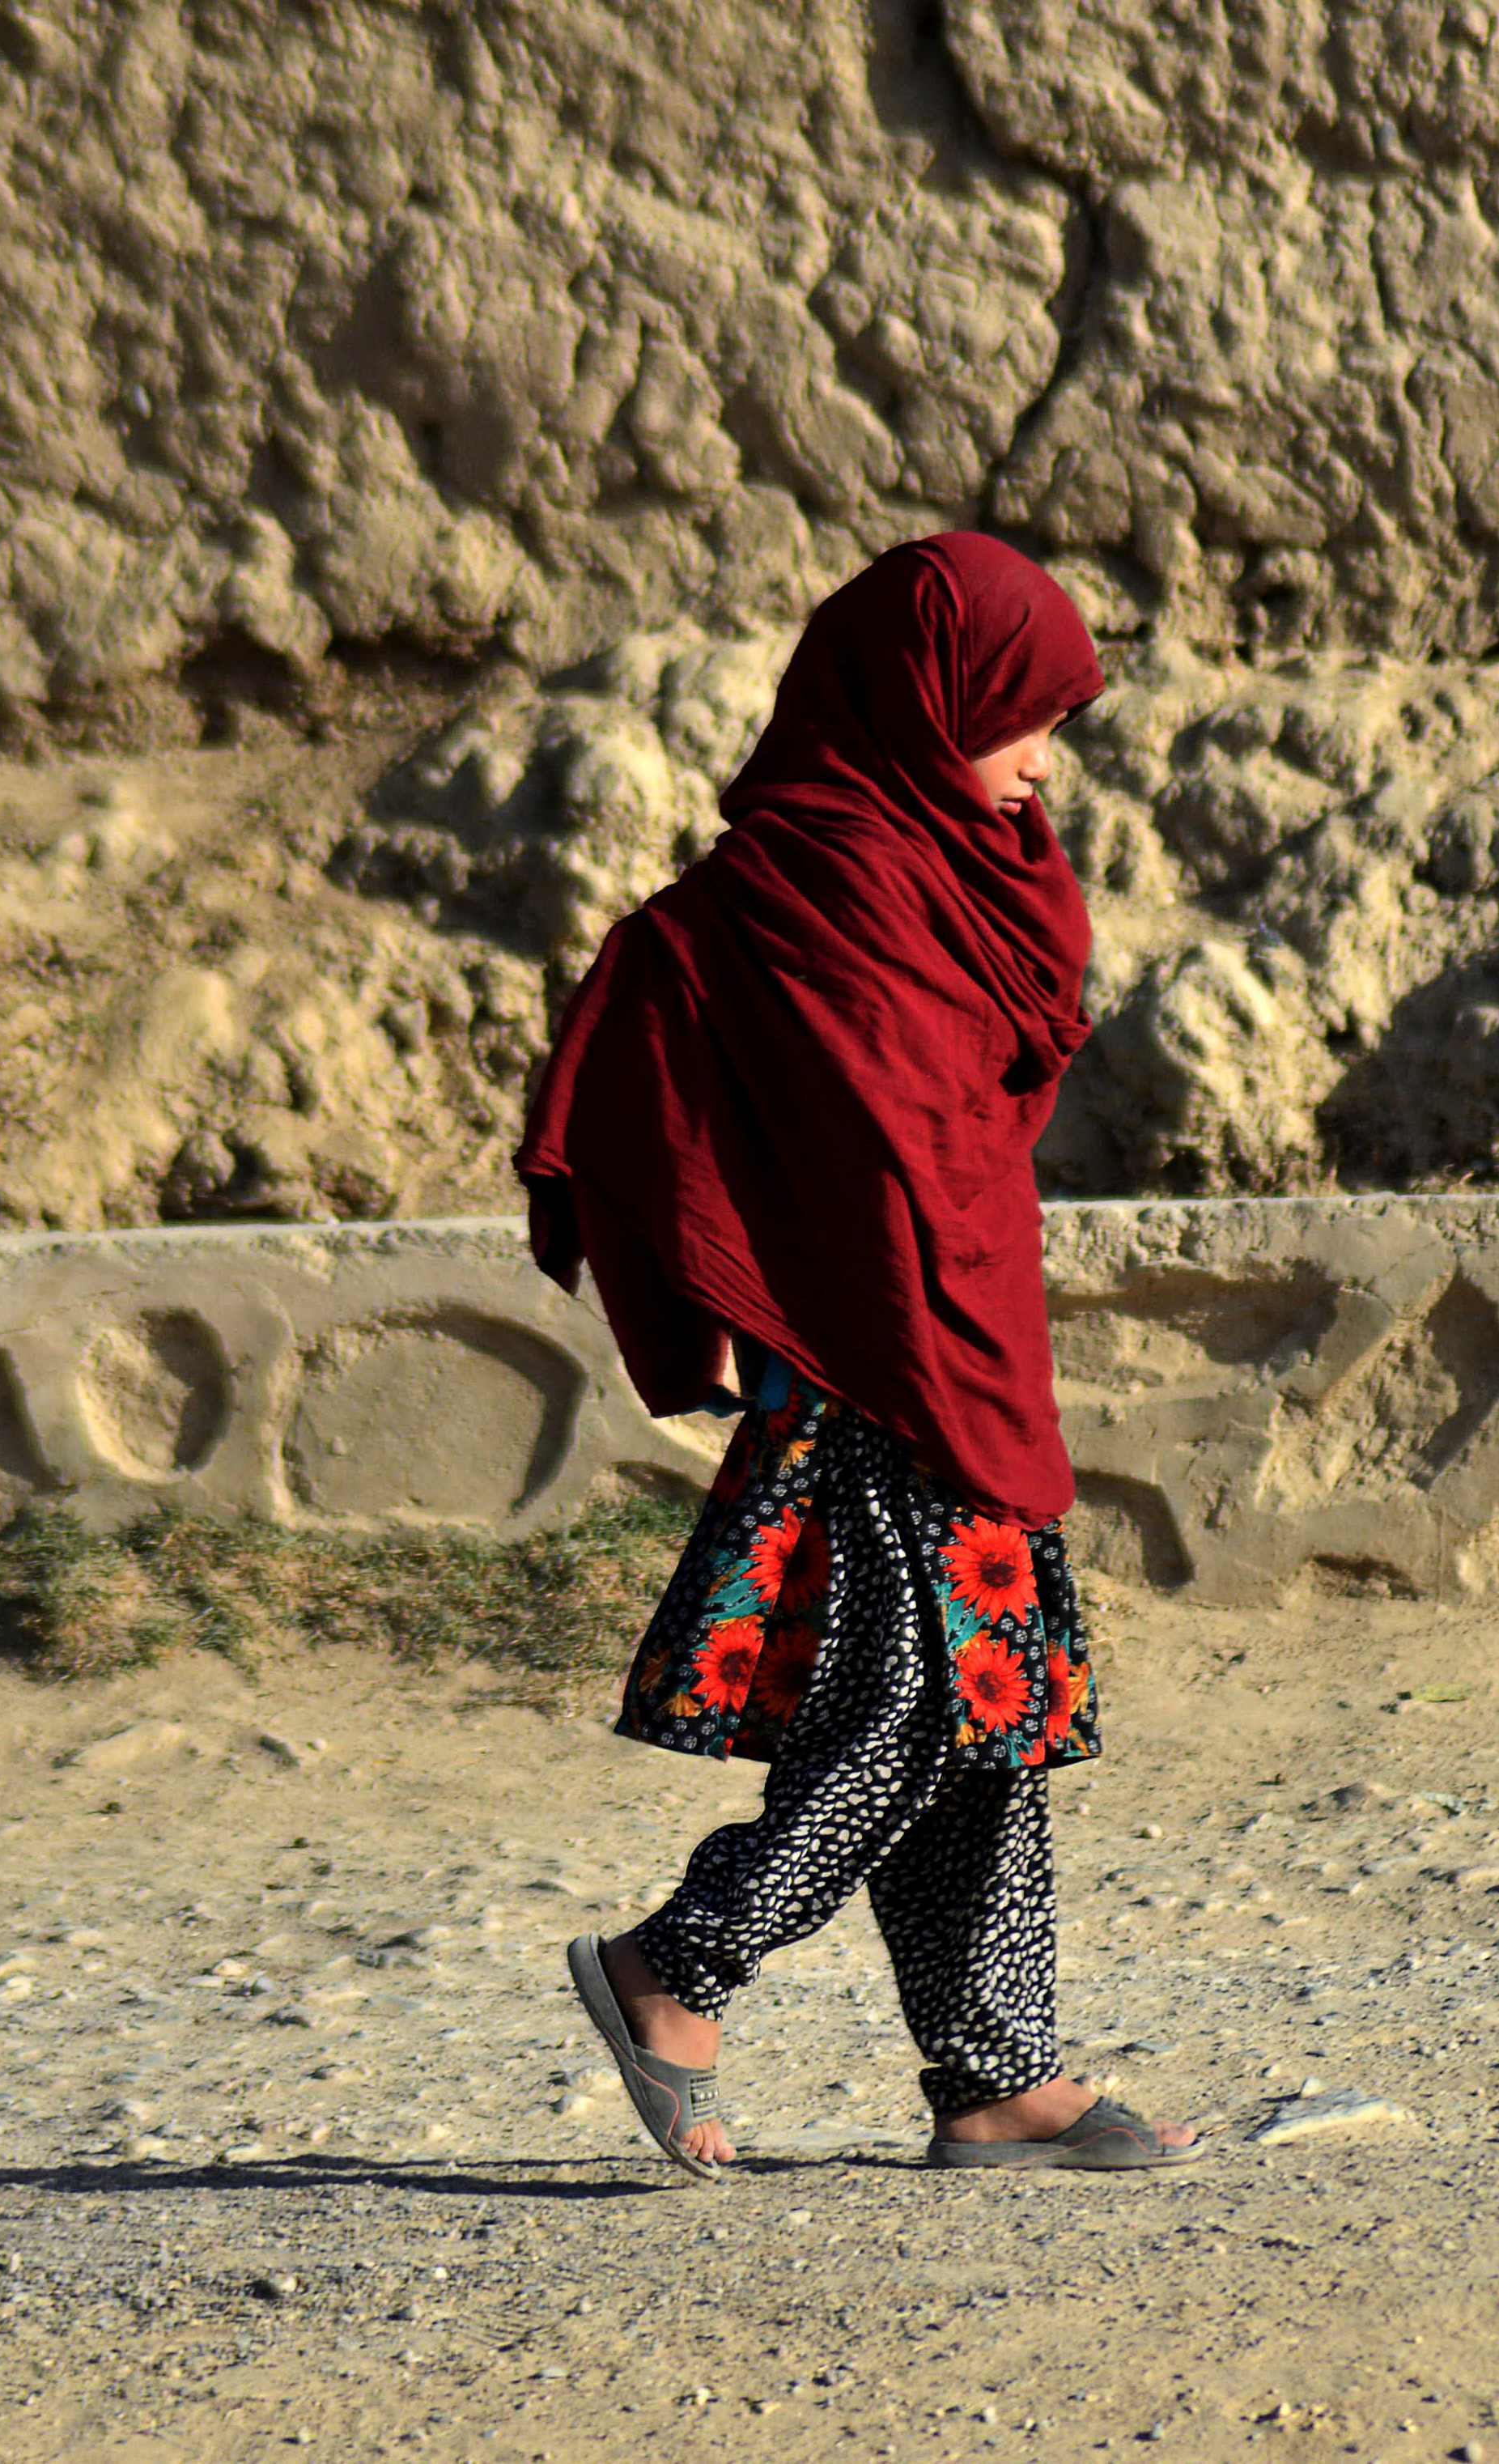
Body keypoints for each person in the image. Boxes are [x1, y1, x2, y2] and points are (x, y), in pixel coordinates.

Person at [516, 532, 1207, 2180]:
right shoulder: (772, 896)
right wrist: (741, 1295)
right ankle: (672, 1967)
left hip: (969, 1340)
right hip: (853, 1370)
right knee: (905, 1710)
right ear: (918, 702)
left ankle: (994, 2078)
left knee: (991, 1712)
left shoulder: (968, 870)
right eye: (1016, 719)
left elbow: (981, 1092)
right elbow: (649, 1045)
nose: (1039, 761)